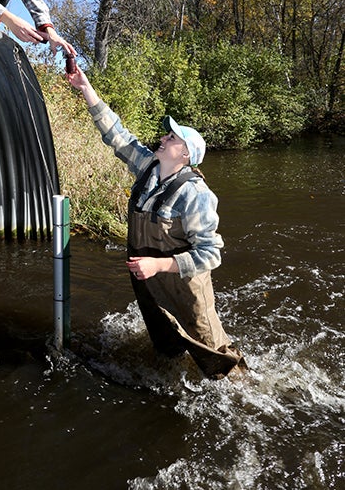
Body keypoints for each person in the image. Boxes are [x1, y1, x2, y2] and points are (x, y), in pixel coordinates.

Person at [67, 65, 247, 379]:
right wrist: (85, 88)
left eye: (172, 137)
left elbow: (210, 254)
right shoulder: (149, 167)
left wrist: (157, 266)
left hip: (185, 287)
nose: (164, 138)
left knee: (215, 362)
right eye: (167, 134)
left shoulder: (196, 195)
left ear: (186, 154)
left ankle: (245, 390)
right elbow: (117, 135)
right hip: (148, 281)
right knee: (164, 348)